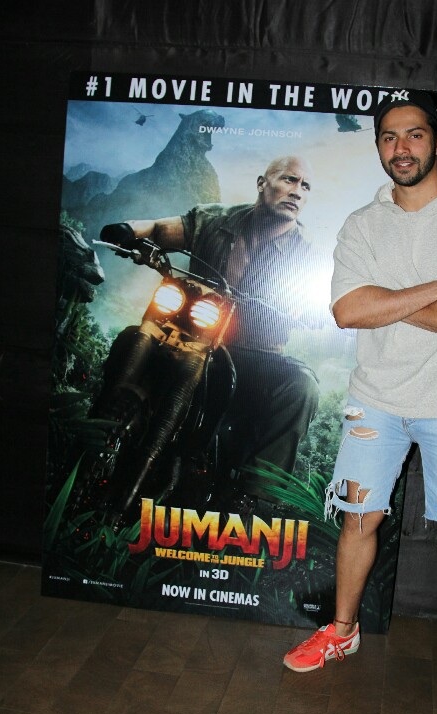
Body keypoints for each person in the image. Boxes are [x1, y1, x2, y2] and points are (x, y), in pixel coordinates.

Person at [283, 91, 437, 714]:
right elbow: (348, 310)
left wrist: (388, 300)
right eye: (388, 136)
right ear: (379, 146)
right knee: (358, 519)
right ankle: (342, 630)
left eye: (413, 135)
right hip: (375, 400)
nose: (400, 148)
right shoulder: (363, 224)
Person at [100, 155, 321, 504]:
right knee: (131, 338)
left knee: (301, 385)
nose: (297, 191)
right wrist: (128, 231)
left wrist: (313, 310)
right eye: (289, 180)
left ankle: (254, 499)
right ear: (262, 183)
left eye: (305, 186)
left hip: (252, 355)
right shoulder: (213, 219)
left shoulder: (305, 254)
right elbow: (159, 229)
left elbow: (323, 297)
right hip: (189, 334)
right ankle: (98, 436)